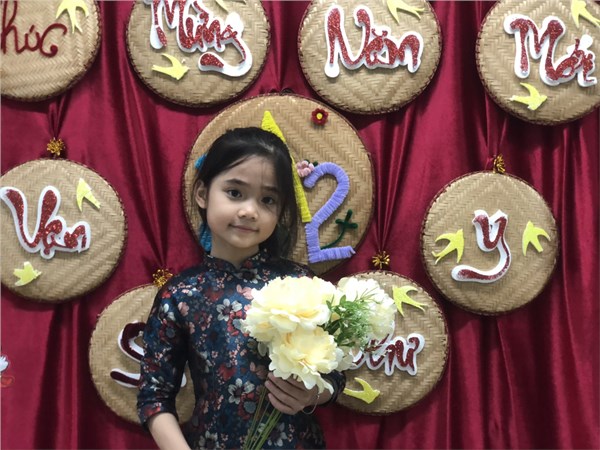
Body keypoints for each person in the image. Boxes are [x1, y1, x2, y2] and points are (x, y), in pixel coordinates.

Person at [137, 127, 345, 450]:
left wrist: (314, 394)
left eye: (267, 200)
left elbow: (336, 374)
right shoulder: (179, 295)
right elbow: (154, 397)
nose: (250, 211)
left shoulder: (300, 284)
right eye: (235, 193)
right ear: (203, 194)